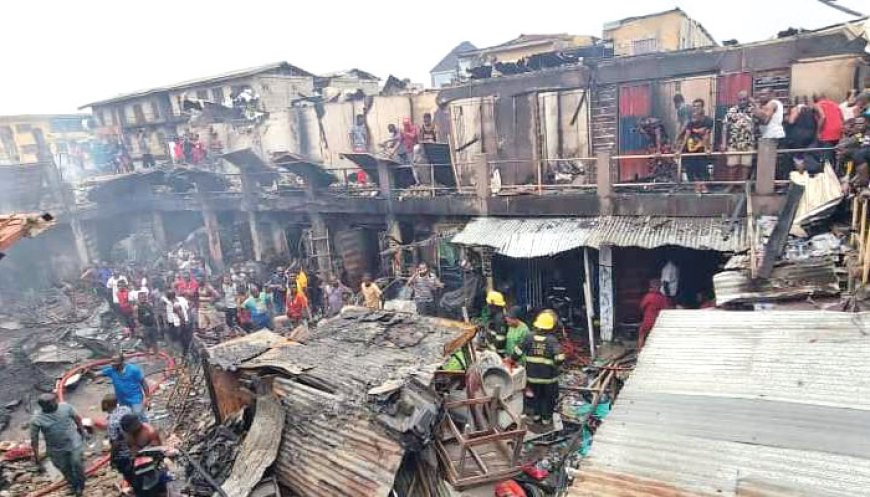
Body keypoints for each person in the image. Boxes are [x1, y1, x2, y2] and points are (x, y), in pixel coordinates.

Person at [512, 311, 564, 424]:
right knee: (548, 399)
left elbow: (517, 353)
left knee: (535, 397)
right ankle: (546, 420)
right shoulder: (552, 340)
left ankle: (536, 417)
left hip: (532, 377)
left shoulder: (529, 337)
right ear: (551, 327)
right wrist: (555, 365)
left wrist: (512, 361)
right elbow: (560, 359)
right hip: (549, 379)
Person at [30, 393, 86, 497]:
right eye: (51, 403)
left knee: (77, 463)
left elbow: (77, 418)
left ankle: (81, 486)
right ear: (43, 406)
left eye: (55, 401)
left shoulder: (65, 407)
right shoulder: (37, 419)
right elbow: (34, 440)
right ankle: (74, 485)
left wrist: (82, 431)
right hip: (56, 450)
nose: (55, 404)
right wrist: (37, 457)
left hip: (73, 442)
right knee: (65, 469)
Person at [678, 98, 714, 191]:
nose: (696, 108)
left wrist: (707, 148)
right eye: (694, 106)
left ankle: (704, 186)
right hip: (690, 148)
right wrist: (679, 150)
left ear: (702, 108)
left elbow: (706, 135)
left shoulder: (708, 120)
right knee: (691, 168)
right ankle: (696, 186)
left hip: (701, 147)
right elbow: (686, 136)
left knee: (702, 167)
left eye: (698, 106)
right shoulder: (690, 122)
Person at [101, 353, 149, 421]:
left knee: (138, 415)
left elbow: (143, 383)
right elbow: (96, 375)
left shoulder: (133, 370)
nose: (112, 363)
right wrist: (87, 372)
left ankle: (146, 428)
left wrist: (147, 398)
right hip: (122, 401)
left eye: (115, 361)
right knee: (127, 417)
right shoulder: (111, 371)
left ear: (122, 362)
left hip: (135, 398)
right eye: (111, 361)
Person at [721, 90, 757, 181]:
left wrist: (754, 103)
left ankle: (743, 187)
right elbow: (725, 127)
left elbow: (762, 119)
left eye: (744, 99)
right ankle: (731, 186)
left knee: (746, 167)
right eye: (740, 100)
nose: (742, 102)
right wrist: (723, 143)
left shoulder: (753, 110)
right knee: (732, 166)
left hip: (748, 143)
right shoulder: (732, 110)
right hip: (734, 142)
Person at [102, 394, 134, 485]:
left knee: (129, 475)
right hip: (136, 447)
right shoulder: (126, 409)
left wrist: (112, 459)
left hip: (125, 454)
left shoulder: (112, 422)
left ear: (106, 405)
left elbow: (116, 443)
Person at [638, 279, 671, 349]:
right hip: (659, 322)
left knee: (642, 334)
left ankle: (640, 351)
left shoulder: (648, 296)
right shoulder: (662, 297)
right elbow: (667, 309)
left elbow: (641, 307)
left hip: (647, 321)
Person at [815, 93, 844, 165]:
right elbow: (842, 118)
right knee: (835, 154)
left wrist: (818, 132)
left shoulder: (817, 105)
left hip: (827, 133)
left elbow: (823, 117)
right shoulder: (835, 104)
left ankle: (828, 172)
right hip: (838, 131)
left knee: (827, 157)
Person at [484, 291, 508, 355]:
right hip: (494, 351)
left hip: (498, 354)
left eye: (489, 305)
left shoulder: (500, 319)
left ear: (493, 305)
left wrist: (492, 350)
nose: (488, 306)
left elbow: (501, 339)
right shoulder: (495, 316)